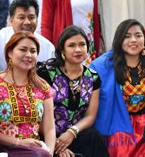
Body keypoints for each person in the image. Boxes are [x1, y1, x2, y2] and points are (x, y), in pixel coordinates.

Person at [89, 19, 145, 157]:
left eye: (138, 35)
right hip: (117, 121)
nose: (133, 40)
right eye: (127, 36)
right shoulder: (100, 66)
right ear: (119, 39)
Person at [37, 26, 109, 157]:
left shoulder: (93, 77)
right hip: (46, 135)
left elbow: (90, 116)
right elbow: (38, 116)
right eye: (71, 45)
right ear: (62, 50)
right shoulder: (46, 73)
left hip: (73, 134)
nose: (78, 49)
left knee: (93, 137)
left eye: (82, 44)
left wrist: (72, 132)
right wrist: (57, 145)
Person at [0, 32, 56, 156]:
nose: (28, 55)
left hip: (36, 151)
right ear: (10, 52)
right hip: (3, 148)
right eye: (23, 49)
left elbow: (49, 129)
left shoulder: (42, 87)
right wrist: (18, 142)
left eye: (33, 51)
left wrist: (49, 152)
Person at [0, 0, 55, 71]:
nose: (27, 22)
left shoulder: (47, 48)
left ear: (37, 20)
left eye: (31, 18)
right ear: (11, 20)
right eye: (21, 17)